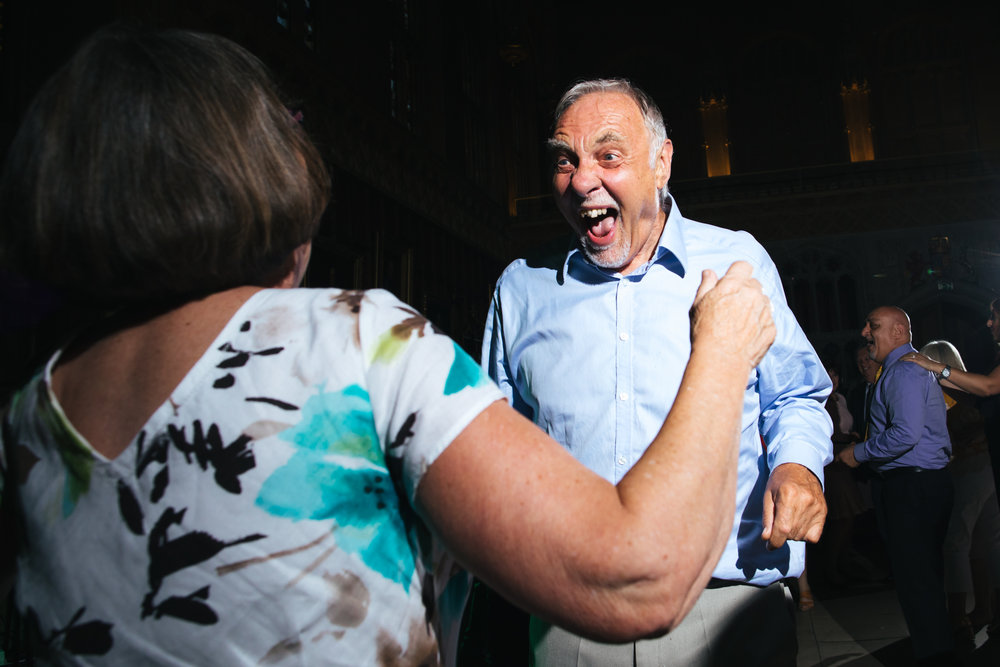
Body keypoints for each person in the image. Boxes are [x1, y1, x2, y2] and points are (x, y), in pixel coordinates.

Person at [0, 28, 778, 666]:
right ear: (262, 175)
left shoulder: (32, 410)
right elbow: (639, 575)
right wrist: (722, 342)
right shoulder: (352, 346)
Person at [482, 78, 832, 666]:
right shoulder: (521, 290)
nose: (582, 180)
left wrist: (798, 468)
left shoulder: (736, 262)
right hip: (574, 618)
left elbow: (795, 393)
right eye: (565, 160)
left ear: (662, 162)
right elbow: (498, 443)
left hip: (727, 608)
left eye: (608, 155)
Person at [838, 306, 954, 664]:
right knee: (922, 575)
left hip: (912, 488)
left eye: (873, 326)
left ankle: (935, 654)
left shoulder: (904, 372)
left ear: (899, 332)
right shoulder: (902, 369)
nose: (864, 332)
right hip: (918, 485)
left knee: (917, 578)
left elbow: (905, 434)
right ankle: (936, 647)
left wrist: (859, 452)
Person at [919, 340, 1000, 651]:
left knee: (956, 543)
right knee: (985, 542)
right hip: (985, 468)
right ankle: (986, 609)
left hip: (969, 469)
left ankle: (957, 619)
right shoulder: (967, 389)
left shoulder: (948, 393)